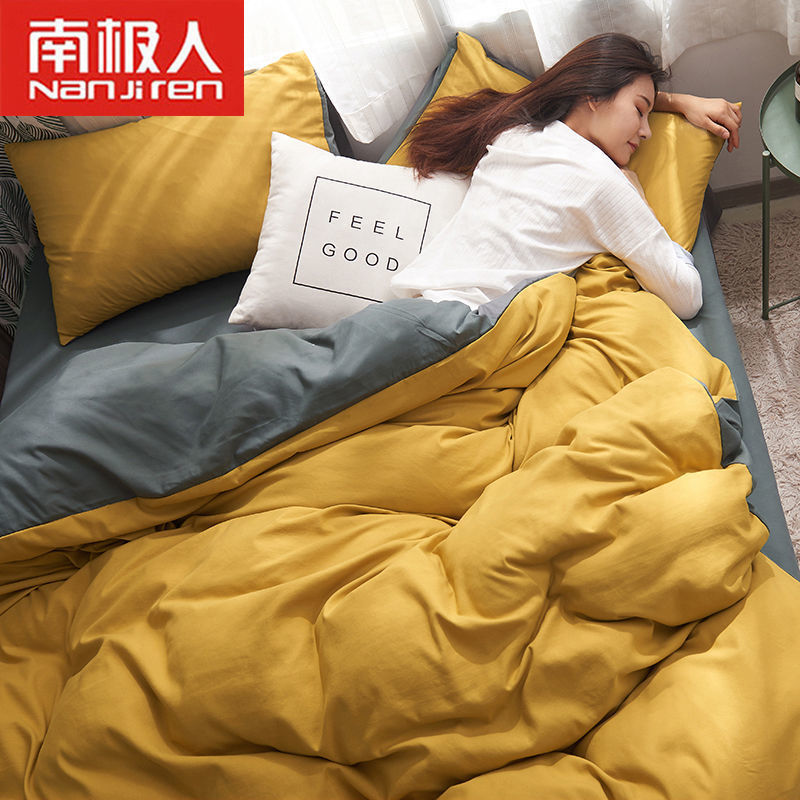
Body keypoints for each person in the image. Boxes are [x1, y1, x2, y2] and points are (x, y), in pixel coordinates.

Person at [390, 33, 743, 320]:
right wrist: (639, 199)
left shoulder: (515, 132)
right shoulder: (602, 182)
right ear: (593, 95)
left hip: (404, 305)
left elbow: (596, 93)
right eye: (639, 111)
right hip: (459, 326)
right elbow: (686, 297)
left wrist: (679, 102)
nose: (647, 131)